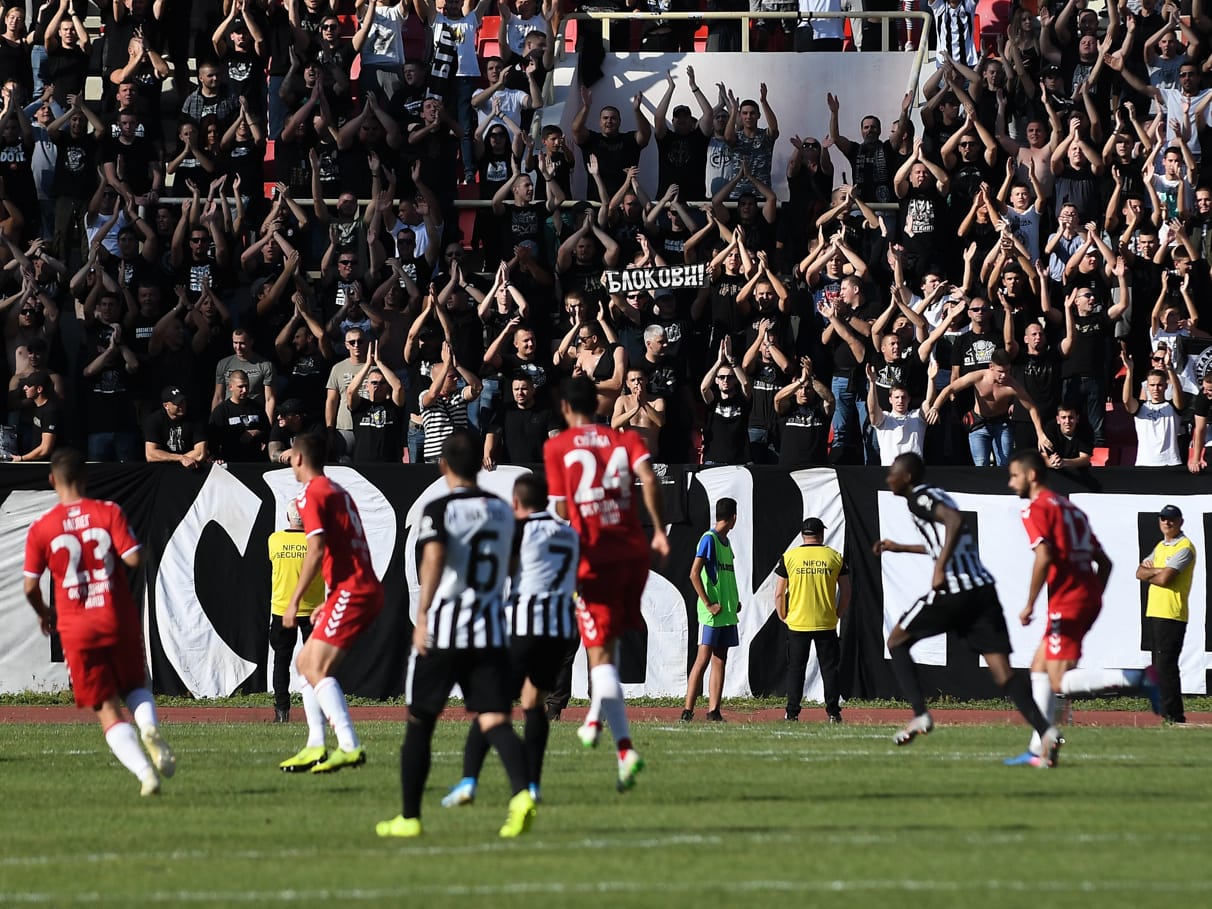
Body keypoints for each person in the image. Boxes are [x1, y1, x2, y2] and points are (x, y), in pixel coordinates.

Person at [375, 430, 537, 840]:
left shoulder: (440, 507)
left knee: (419, 722)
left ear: (444, 465)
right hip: (490, 628)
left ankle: (409, 817)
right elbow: (515, 563)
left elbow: (433, 557)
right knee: (496, 720)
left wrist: (424, 613)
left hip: (447, 628)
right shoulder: (502, 510)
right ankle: (521, 794)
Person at [873, 452, 1061, 764]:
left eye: (892, 472)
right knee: (1003, 672)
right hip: (982, 591)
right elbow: (947, 534)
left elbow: (955, 521)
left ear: (906, 477)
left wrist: (940, 568)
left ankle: (920, 714)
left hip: (955, 590)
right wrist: (900, 547)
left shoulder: (918, 498)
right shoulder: (936, 492)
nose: (888, 478)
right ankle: (1045, 731)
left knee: (896, 641)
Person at [22, 448, 175, 796]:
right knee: (136, 685)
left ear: (52, 480)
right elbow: (133, 558)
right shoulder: (108, 511)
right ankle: (149, 726)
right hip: (115, 615)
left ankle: (144, 774)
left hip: (76, 627)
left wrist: (44, 613)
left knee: (105, 707)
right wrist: (140, 552)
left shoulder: (42, 526)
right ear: (86, 477)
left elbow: (30, 585)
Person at [543, 376, 670, 791]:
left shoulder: (557, 447)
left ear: (565, 408)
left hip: (594, 557)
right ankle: (612, 738)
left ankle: (609, 732)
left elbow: (562, 508)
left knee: (598, 656)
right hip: (632, 552)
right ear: (598, 406)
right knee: (607, 651)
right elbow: (650, 478)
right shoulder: (624, 440)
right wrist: (658, 531)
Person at [1004, 451, 1161, 767]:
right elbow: (1105, 562)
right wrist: (1092, 597)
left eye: (1014, 476)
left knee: (1059, 680)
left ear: (1031, 476)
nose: (1010, 483)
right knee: (1038, 667)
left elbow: (1044, 555)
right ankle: (1041, 749)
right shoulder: (1070, 508)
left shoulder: (1034, 508)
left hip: (1068, 600)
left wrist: (1030, 603)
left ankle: (1139, 678)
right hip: (1085, 594)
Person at [441, 473, 581, 807]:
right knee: (534, 704)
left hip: (526, 625)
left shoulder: (520, 529)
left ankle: (469, 781)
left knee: (492, 704)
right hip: (560, 628)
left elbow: (501, 566)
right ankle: (532, 784)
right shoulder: (569, 532)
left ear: (516, 503)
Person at [278, 433, 383, 774]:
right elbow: (346, 548)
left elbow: (318, 549)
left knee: (314, 667)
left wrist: (294, 601)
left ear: (298, 458)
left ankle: (349, 746)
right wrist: (331, 597)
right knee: (307, 663)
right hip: (352, 588)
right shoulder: (338, 490)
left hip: (354, 589)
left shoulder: (311, 494)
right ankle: (315, 745)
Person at [775, 517, 849, 723]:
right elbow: (847, 592)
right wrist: (837, 613)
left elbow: (780, 593)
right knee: (829, 669)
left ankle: (792, 712)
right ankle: (833, 712)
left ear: (802, 535)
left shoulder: (790, 557)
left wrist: (783, 615)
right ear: (821, 534)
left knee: (796, 669)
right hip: (825, 621)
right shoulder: (834, 557)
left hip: (798, 622)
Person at [681, 497, 741, 723]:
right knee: (703, 657)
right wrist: (708, 603)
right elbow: (694, 573)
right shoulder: (709, 539)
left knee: (720, 658)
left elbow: (727, 575)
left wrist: (734, 600)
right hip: (712, 612)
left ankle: (714, 710)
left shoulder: (725, 542)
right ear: (733, 517)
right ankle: (687, 710)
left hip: (726, 611)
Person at [267, 501, 325, 724]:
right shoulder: (318, 541)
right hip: (312, 610)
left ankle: (282, 712)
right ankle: (317, 711)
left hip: (282, 608)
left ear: (287, 516)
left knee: (281, 661)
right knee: (315, 665)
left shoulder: (275, 540)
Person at [1136, 504, 1194, 724]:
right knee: (1159, 664)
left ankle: (1174, 715)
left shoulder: (1185, 547)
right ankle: (1167, 713)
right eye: (1163, 519)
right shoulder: (1161, 546)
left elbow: (1164, 579)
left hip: (1172, 612)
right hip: (1156, 611)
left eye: (1171, 519)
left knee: (1166, 665)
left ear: (1180, 522)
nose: (1167, 523)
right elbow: (1138, 572)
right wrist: (1159, 570)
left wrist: (1155, 571)